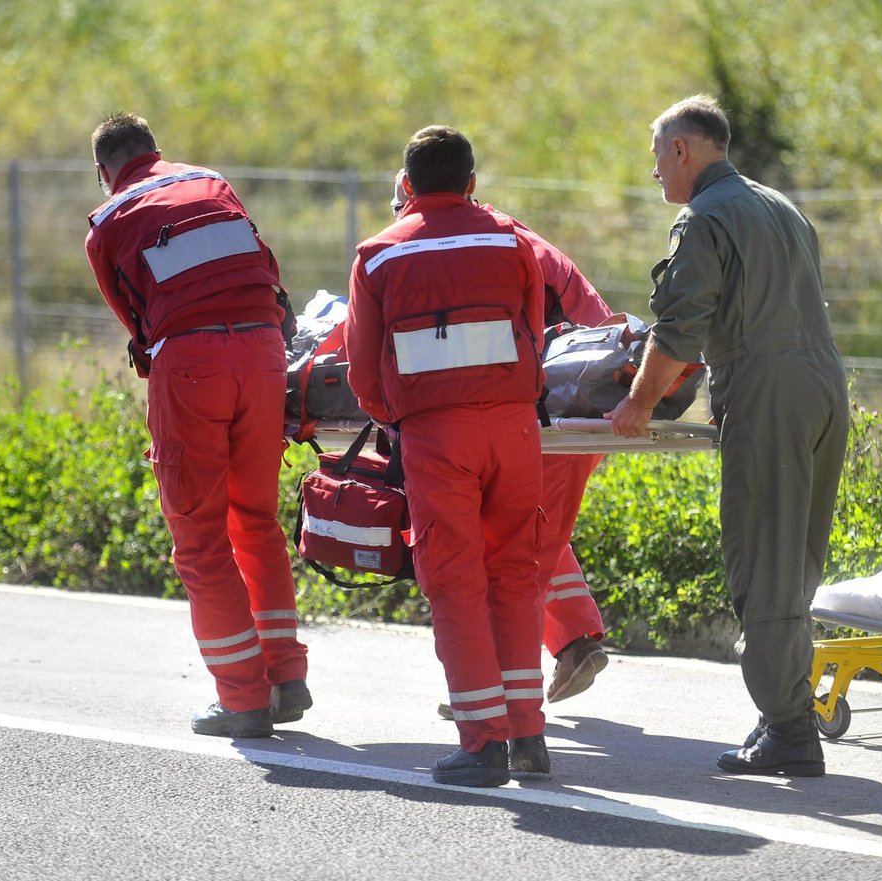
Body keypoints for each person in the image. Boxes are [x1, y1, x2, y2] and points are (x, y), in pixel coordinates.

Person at [609, 95, 849, 777]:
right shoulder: (779, 204)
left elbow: (681, 326)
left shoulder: (704, 216)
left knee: (763, 558)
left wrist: (637, 403)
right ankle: (786, 706)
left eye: (657, 155)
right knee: (796, 557)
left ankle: (790, 728)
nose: (654, 170)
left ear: (682, 149)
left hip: (769, 391)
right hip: (824, 385)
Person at [84, 112, 310, 738]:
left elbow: (138, 327)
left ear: (105, 173)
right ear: (156, 149)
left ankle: (241, 697)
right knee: (257, 520)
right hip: (264, 351)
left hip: (193, 364)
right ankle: (286, 676)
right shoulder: (212, 181)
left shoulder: (108, 222)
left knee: (201, 538)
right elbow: (265, 266)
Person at [345, 127, 548, 787]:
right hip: (515, 428)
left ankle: (482, 739)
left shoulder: (378, 256)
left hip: (437, 436)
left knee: (455, 580)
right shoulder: (513, 240)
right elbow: (535, 334)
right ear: (471, 182)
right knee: (516, 573)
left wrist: (393, 414)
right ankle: (528, 737)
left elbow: (362, 370)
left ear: (406, 186)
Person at [389, 171, 612, 711]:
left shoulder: (465, 244)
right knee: (523, 538)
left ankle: (495, 699)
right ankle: (575, 638)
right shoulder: (497, 235)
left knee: (512, 562)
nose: (398, 218)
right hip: (567, 404)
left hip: (552, 413)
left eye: (400, 206)